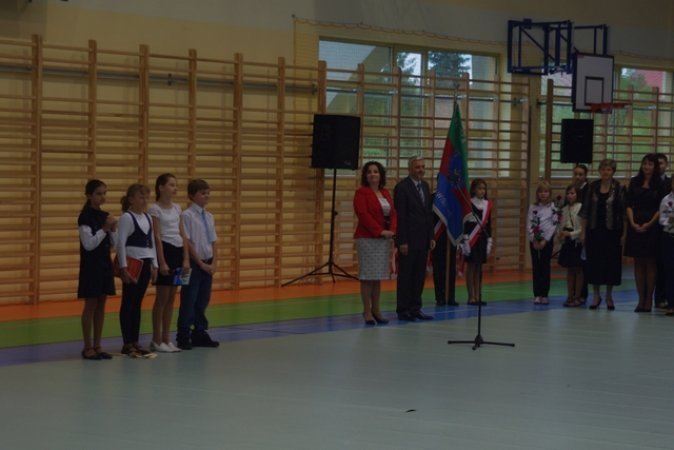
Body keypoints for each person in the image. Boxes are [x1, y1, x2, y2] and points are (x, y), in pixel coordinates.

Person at [148, 173, 190, 353]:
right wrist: (161, 262)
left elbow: (183, 234)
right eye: (171, 185)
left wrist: (186, 258)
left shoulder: (178, 208)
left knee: (173, 297)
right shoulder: (154, 209)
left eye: (176, 185)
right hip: (165, 250)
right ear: (161, 187)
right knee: (162, 297)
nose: (175, 188)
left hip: (178, 251)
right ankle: (156, 339)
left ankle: (167, 338)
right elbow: (156, 236)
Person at [176, 179, 219, 349]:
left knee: (203, 300)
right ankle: (183, 335)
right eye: (202, 193)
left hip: (207, 263)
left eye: (208, 193)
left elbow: (213, 241)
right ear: (191, 196)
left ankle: (199, 332)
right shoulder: (186, 215)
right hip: (192, 264)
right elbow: (187, 241)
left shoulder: (209, 216)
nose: (206, 196)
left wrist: (214, 262)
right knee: (188, 300)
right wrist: (200, 263)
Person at [353, 161, 397, 325]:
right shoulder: (361, 193)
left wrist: (392, 230)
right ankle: (367, 311)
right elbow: (363, 215)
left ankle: (376, 309)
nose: (372, 174)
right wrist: (379, 231)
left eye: (376, 171)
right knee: (367, 277)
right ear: (365, 176)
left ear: (381, 175)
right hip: (367, 238)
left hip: (383, 240)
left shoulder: (385, 193)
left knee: (377, 276)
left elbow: (393, 213)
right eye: (369, 172)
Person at [117, 183, 158, 357]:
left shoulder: (148, 217)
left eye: (146, 197)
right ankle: (127, 343)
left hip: (146, 263)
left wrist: (155, 265)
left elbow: (152, 243)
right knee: (129, 303)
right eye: (141, 197)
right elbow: (120, 244)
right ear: (131, 199)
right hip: (132, 265)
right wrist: (123, 268)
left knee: (137, 303)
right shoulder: (127, 218)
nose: (144, 201)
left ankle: (135, 340)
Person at [77, 179, 117, 360]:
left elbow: (113, 245)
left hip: (104, 265)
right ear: (89, 195)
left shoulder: (105, 215)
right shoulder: (85, 217)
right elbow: (89, 244)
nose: (102, 197)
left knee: (102, 304)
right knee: (91, 304)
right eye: (99, 194)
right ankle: (87, 347)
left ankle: (98, 345)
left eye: (104, 193)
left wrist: (113, 230)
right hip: (91, 266)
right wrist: (104, 228)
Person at [579, 158, 625, 311]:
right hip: (594, 230)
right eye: (603, 169)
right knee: (594, 263)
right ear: (599, 171)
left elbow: (622, 213)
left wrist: (623, 234)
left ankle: (609, 296)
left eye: (609, 170)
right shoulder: (592, 187)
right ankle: (596, 295)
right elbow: (585, 210)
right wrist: (583, 232)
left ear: (613, 172)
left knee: (611, 263)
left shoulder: (619, 188)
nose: (606, 172)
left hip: (612, 232)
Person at [393, 156, 436, 321]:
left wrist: (431, 236)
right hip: (408, 240)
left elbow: (428, 214)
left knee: (419, 276)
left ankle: (415, 308)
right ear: (410, 169)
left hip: (423, 239)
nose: (421, 170)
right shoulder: (402, 187)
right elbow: (401, 216)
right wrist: (402, 241)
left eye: (423, 167)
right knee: (406, 276)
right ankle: (403, 309)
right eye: (418, 167)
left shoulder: (425, 186)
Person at [624, 153, 663, 313]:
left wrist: (649, 224)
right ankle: (640, 299)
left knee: (650, 262)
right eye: (644, 164)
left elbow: (661, 207)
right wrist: (632, 222)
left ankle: (649, 299)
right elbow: (628, 204)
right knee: (638, 262)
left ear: (655, 167)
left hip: (652, 226)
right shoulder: (635, 181)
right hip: (635, 224)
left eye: (650, 164)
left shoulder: (661, 184)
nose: (647, 167)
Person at [460, 178, 492, 306]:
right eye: (479, 188)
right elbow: (465, 223)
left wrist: (489, 240)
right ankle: (471, 296)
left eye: (484, 188)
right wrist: (464, 240)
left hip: (482, 240)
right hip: (471, 240)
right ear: (473, 190)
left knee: (479, 268)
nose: (482, 191)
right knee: (471, 267)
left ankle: (478, 295)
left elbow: (489, 225)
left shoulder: (487, 204)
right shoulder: (469, 204)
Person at [526, 180, 559, 305]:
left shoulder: (553, 208)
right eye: (540, 191)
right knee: (536, 267)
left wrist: (545, 240)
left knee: (545, 267)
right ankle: (537, 294)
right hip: (534, 241)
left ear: (549, 193)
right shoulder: (533, 207)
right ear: (537, 193)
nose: (543, 194)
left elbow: (553, 225)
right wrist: (534, 239)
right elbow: (529, 223)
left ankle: (544, 294)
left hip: (547, 241)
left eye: (545, 191)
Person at [557, 184, 584, 307]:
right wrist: (560, 234)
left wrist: (571, 234)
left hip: (577, 241)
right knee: (569, 269)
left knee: (578, 269)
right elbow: (561, 225)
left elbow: (583, 229)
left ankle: (577, 296)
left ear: (577, 194)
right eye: (568, 193)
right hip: (567, 241)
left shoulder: (581, 207)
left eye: (572, 193)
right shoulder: (564, 209)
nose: (570, 195)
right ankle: (569, 296)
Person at [655, 153, 671, 308]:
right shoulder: (650, 181)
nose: (659, 166)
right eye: (657, 163)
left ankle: (669, 298)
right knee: (661, 265)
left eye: (661, 163)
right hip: (658, 228)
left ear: (667, 164)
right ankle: (659, 298)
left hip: (668, 230)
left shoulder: (669, 182)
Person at [572, 164, 590, 304]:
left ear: (585, 176)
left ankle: (582, 293)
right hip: (573, 231)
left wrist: (583, 231)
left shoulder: (588, 190)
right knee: (573, 265)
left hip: (584, 231)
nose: (578, 177)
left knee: (582, 265)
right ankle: (573, 293)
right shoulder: (572, 189)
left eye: (580, 174)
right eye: (576, 174)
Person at [658, 176, 674, 315]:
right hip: (669, 238)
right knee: (669, 272)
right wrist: (669, 220)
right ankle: (671, 304)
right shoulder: (666, 200)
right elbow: (661, 219)